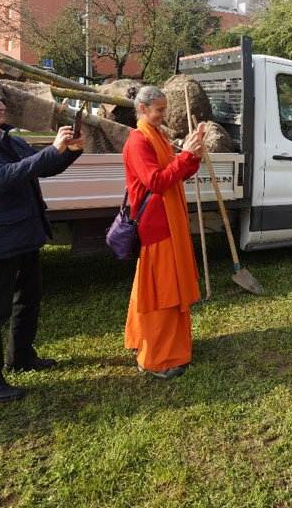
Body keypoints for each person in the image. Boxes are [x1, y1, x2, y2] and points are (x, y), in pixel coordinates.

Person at [0, 80, 83, 403]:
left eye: (1, 101)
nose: (1, 106)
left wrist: (69, 153)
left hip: (26, 234)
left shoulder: (7, 137)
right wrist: (51, 150)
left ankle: (21, 357)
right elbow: (2, 179)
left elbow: (41, 168)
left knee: (28, 300)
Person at [123, 86, 206, 379]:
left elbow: (177, 172)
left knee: (155, 288)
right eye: (159, 110)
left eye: (163, 109)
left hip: (170, 222)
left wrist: (191, 154)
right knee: (162, 293)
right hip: (157, 227)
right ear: (142, 109)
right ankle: (157, 357)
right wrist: (184, 159)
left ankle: (144, 339)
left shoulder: (157, 136)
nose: (163, 115)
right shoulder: (138, 141)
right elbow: (156, 181)